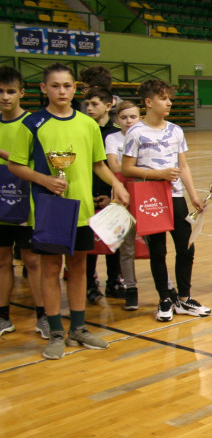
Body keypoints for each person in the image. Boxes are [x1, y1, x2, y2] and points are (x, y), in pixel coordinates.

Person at [6, 62, 130, 359]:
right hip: (48, 210)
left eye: (67, 85)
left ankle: (78, 327)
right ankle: (55, 331)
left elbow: (98, 165)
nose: (62, 91)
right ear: (43, 88)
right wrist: (45, 179)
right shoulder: (32, 124)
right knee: (50, 270)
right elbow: (15, 164)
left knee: (78, 268)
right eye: (55, 86)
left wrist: (118, 185)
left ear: (75, 88)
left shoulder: (88, 124)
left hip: (83, 211)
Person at [122, 79, 210, 322]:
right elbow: (127, 168)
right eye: (163, 98)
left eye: (170, 98)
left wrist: (193, 196)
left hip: (176, 197)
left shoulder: (176, 131)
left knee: (186, 246)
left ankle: (184, 297)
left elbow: (183, 165)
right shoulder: (136, 132)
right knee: (158, 251)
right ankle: (164, 298)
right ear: (149, 102)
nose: (169, 102)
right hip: (151, 199)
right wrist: (157, 174)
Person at [0, 65, 44, 338]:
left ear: (22, 93)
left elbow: (34, 164)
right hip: (0, 205)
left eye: (10, 91)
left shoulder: (33, 123)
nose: (5, 97)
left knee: (33, 261)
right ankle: (3, 315)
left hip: (27, 204)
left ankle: (43, 315)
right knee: (3, 260)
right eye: (1, 92)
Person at [82, 86, 124, 304]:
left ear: (109, 106)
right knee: (89, 242)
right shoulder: (82, 128)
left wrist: (114, 195)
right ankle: (89, 284)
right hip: (86, 191)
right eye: (87, 104)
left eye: (94, 104)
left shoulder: (117, 132)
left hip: (111, 192)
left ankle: (114, 282)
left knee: (112, 238)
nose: (89, 108)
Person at [106, 100, 141, 311]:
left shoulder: (144, 135)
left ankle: (165, 287)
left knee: (154, 243)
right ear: (117, 120)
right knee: (126, 246)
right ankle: (131, 289)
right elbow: (115, 166)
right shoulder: (112, 138)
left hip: (144, 195)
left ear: (140, 118)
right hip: (121, 195)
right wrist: (138, 168)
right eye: (124, 117)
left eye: (133, 117)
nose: (128, 121)